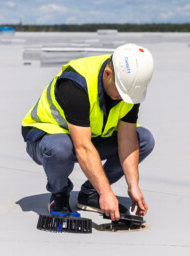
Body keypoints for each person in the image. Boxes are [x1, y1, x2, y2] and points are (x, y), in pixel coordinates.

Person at [21, 43, 156, 221]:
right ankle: (59, 194)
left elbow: (128, 139)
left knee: (144, 139)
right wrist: (106, 192)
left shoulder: (130, 87)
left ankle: (90, 194)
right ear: (108, 74)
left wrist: (133, 186)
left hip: (90, 137)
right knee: (59, 148)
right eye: (121, 93)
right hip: (47, 139)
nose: (124, 99)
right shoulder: (75, 83)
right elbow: (83, 146)